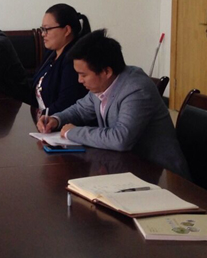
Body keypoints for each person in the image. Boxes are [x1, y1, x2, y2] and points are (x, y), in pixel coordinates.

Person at [37, 29, 189, 177]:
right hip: (126, 169)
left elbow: (120, 139)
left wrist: (72, 132)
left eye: (83, 75)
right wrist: (56, 119)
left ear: (106, 72)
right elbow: (80, 110)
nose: (79, 80)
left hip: (162, 176)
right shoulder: (102, 85)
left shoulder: (136, 89)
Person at [32, 3, 91, 117]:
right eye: (42, 29)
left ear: (67, 30)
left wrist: (44, 118)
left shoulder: (73, 61)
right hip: (40, 118)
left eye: (47, 29)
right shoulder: (51, 53)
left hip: (58, 121)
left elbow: (66, 103)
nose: (43, 34)